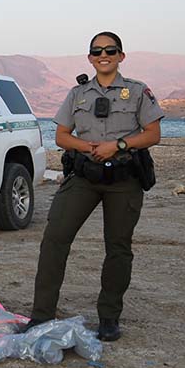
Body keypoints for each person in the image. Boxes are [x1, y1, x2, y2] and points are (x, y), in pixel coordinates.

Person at [26, 31, 163, 341]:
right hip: (84, 177)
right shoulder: (78, 94)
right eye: (97, 51)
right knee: (54, 240)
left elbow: (153, 133)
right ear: (90, 57)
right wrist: (88, 147)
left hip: (124, 180)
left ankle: (109, 318)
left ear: (121, 56)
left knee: (118, 248)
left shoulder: (138, 92)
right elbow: (61, 136)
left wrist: (118, 144)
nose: (104, 55)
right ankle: (41, 316)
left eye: (111, 50)